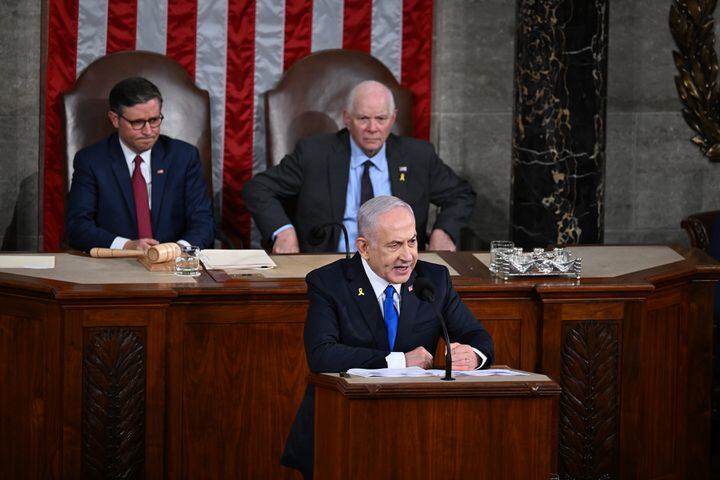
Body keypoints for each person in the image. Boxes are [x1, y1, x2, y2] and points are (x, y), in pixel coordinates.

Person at [281, 195, 494, 479]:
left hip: (416, 433)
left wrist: (473, 355)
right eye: (394, 245)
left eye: (413, 241)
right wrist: (399, 361)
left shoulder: (434, 280)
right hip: (343, 427)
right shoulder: (329, 283)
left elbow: (478, 337)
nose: (407, 256)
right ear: (364, 248)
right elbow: (321, 354)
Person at [243, 80, 476, 254]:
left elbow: (460, 194)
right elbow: (258, 188)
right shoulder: (314, 153)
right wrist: (283, 230)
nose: (372, 128)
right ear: (347, 118)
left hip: (397, 269)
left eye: (381, 119)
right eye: (363, 118)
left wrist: (443, 231)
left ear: (393, 119)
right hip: (330, 266)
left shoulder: (417, 156)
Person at [65, 76, 214, 252]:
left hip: (174, 263)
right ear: (115, 119)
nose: (148, 131)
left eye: (154, 120)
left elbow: (203, 222)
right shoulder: (91, 161)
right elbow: (77, 227)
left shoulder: (183, 157)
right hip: (115, 266)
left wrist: (177, 250)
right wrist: (126, 245)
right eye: (137, 123)